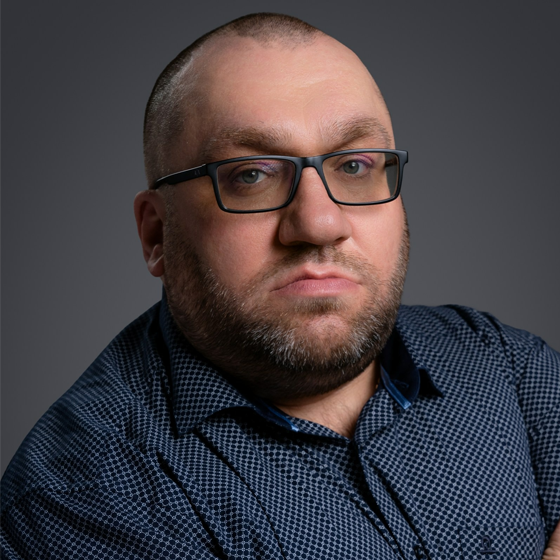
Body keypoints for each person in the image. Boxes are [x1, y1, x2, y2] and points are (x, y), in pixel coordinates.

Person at [1, 12, 559, 560]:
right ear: (157, 234)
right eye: (251, 175)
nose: (320, 223)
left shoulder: (503, 363)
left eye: (356, 166)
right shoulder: (84, 494)